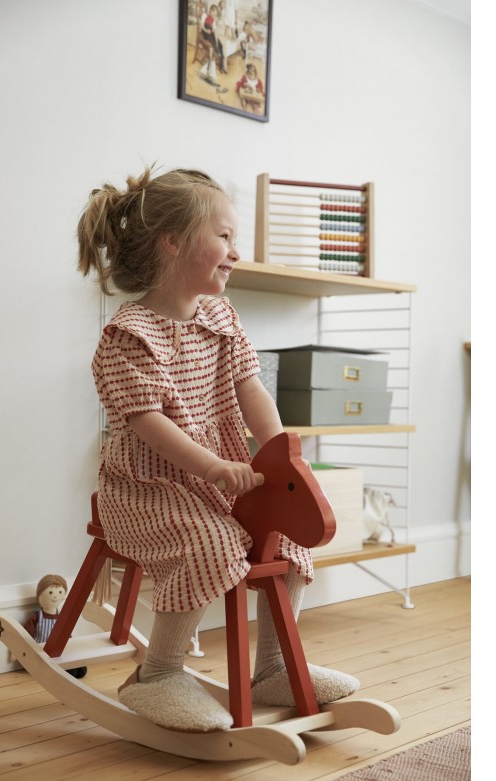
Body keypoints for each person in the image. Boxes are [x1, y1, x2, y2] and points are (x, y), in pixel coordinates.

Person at [76, 165, 359, 732]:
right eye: (224, 236)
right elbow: (148, 422)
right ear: (173, 241)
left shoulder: (220, 317)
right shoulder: (129, 335)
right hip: (148, 490)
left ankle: (273, 667)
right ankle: (158, 672)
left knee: (288, 535)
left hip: (219, 481)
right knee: (214, 542)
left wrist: (281, 457)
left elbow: (250, 388)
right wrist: (210, 466)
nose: (235, 252)